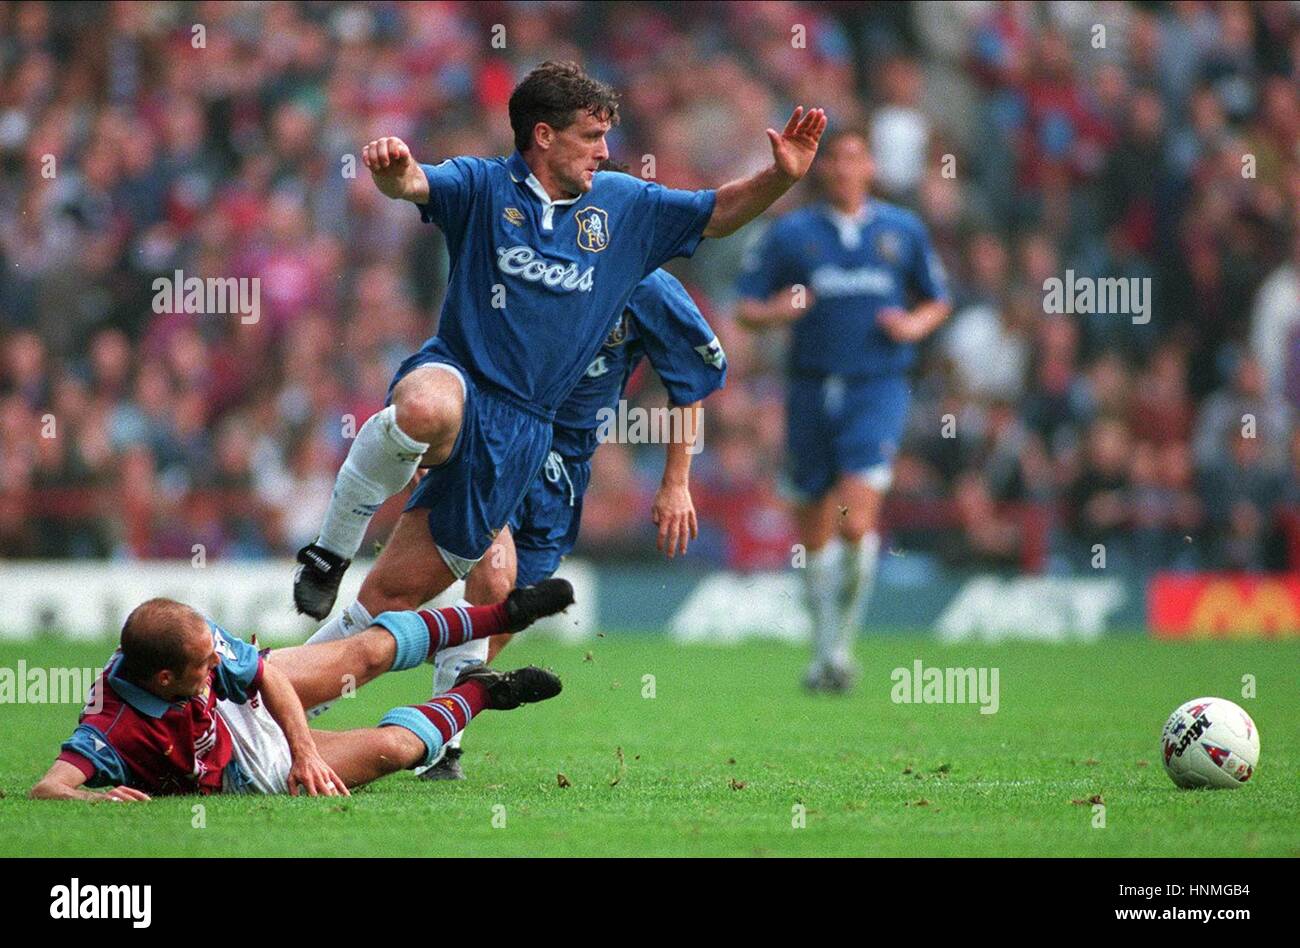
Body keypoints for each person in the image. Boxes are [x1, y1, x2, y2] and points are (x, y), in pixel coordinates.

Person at [291, 60, 825, 638]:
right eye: (592, 136)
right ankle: (329, 552)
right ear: (544, 135)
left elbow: (718, 213)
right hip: (461, 380)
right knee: (422, 407)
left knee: (438, 597)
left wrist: (781, 178)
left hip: (527, 436)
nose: (603, 150)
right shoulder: (483, 184)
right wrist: (392, 171)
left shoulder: (626, 211)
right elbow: (415, 182)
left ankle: (304, 701)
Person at [422, 267, 727, 779]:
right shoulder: (531, 256)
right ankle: (415, 734)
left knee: (505, 613)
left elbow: (689, 380)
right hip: (502, 439)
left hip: (562, 474)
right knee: (481, 581)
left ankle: (432, 714)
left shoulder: (645, 283)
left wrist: (676, 482)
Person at [734, 128, 951, 692]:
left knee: (856, 517)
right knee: (815, 534)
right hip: (808, 389)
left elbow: (937, 299)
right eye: (835, 159)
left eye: (856, 156)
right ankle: (825, 650)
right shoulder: (791, 234)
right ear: (822, 168)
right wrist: (780, 311)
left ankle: (839, 650)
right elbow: (746, 308)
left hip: (876, 387)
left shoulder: (902, 230)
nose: (845, 168)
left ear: (871, 165)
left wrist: (912, 326)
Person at [29, 581, 572, 801]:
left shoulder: (188, 640)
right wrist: (96, 796)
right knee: (397, 751)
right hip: (244, 766)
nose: (216, 659)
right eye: (204, 662)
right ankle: (480, 693)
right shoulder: (111, 729)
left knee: (367, 653)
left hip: (240, 706)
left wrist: (306, 753)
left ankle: (503, 612)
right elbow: (48, 789)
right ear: (165, 679)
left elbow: (265, 676)